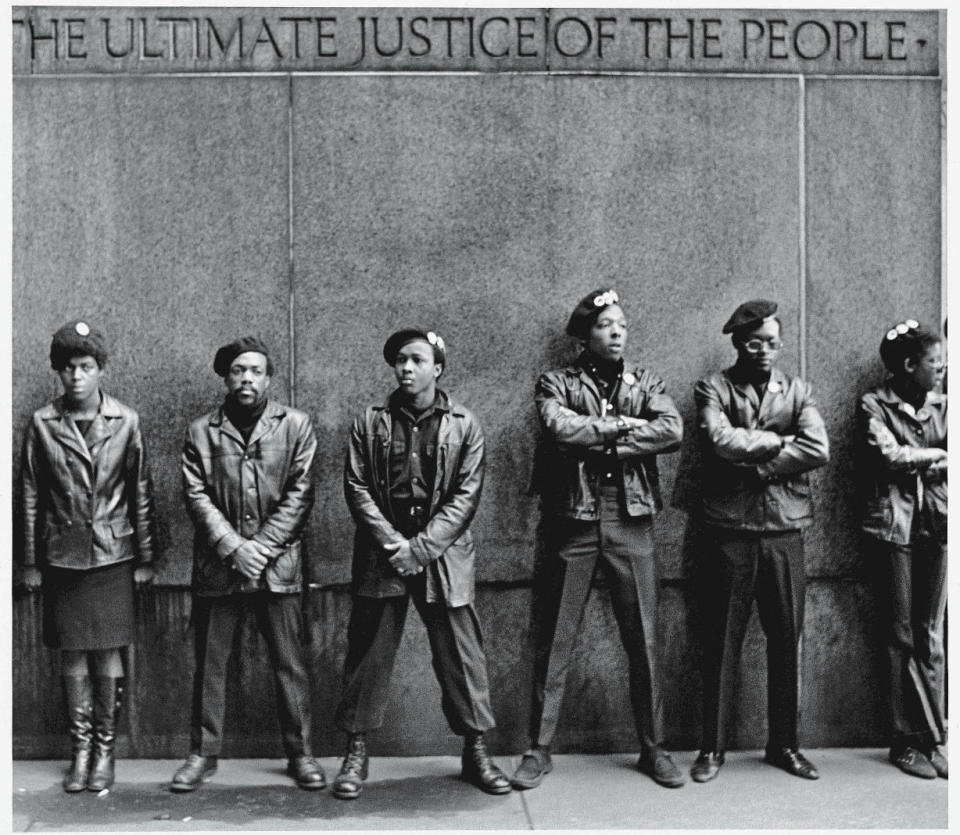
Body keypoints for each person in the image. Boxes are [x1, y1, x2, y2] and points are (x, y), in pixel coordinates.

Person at [514, 288, 685, 790]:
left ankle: (654, 748)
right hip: (574, 518)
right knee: (555, 639)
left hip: (630, 518)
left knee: (644, 642)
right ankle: (538, 749)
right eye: (606, 325)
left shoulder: (646, 380)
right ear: (586, 334)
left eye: (623, 325)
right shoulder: (557, 381)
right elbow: (561, 429)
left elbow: (671, 430)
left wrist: (605, 434)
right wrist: (627, 428)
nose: (616, 333)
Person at [331, 328, 511, 799]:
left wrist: (421, 548)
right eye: (398, 361)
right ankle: (355, 754)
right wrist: (395, 545)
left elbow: (466, 496)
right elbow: (357, 488)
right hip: (382, 555)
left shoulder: (464, 424)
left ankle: (475, 751)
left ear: (438, 368)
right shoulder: (369, 422)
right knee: (368, 655)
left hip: (442, 557)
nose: (405, 369)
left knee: (461, 656)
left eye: (415, 360)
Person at [170, 337, 323, 792]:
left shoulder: (295, 425)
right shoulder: (201, 432)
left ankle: (301, 754)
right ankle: (202, 754)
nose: (246, 379)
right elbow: (195, 496)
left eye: (255, 371)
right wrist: (236, 548)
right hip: (220, 568)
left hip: (278, 568)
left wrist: (261, 548)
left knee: (289, 665)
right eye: (238, 371)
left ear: (269, 378)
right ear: (225, 377)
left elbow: (302, 492)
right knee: (209, 665)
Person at [691, 299, 829, 783]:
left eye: (772, 341)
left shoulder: (799, 391)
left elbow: (818, 447)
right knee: (721, 642)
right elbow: (720, 441)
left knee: (786, 641)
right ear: (737, 343)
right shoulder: (714, 387)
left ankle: (785, 745)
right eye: (755, 342)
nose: (765, 350)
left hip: (785, 532)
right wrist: (777, 442)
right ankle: (712, 749)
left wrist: (759, 460)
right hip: (730, 532)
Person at [19, 321, 156, 793]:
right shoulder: (42, 422)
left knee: (108, 651)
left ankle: (105, 749)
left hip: (113, 553)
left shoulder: (126, 420)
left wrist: (146, 557)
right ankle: (80, 752)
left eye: (86, 367)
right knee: (73, 652)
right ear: (58, 371)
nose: (77, 376)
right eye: (68, 367)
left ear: (101, 370)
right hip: (62, 554)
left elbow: (140, 488)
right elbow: (30, 492)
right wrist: (31, 560)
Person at [858, 319, 947, 779]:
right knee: (901, 636)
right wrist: (935, 456)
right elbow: (888, 455)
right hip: (894, 530)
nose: (944, 367)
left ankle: (934, 737)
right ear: (909, 365)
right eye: (935, 361)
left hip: (937, 525)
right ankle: (902, 740)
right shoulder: (874, 403)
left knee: (931, 633)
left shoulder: (944, 406)